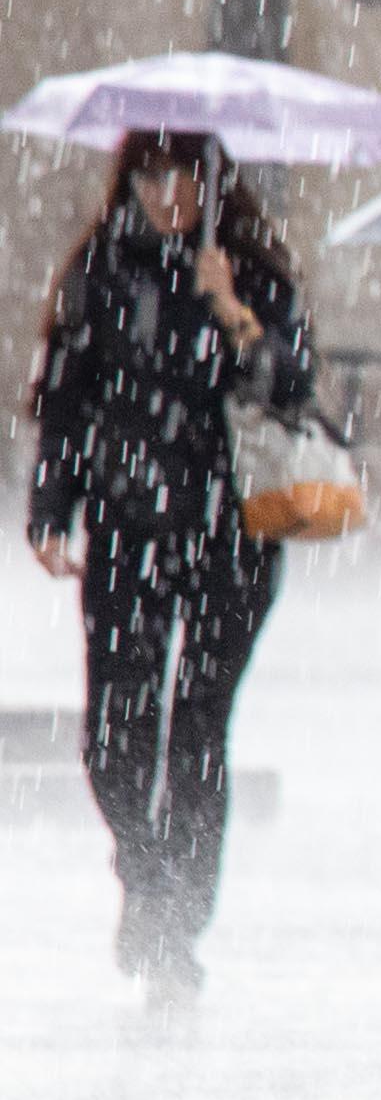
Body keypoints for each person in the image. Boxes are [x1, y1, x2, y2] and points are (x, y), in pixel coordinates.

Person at [22, 131, 316, 1003]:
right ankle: (148, 883)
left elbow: (292, 388)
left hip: (234, 531)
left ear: (211, 178)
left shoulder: (251, 269)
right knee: (114, 734)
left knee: (196, 729)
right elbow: (65, 398)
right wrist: (52, 508)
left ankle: (178, 926)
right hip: (127, 522)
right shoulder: (104, 269)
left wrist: (233, 310)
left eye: (179, 173)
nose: (163, 192)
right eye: (147, 174)